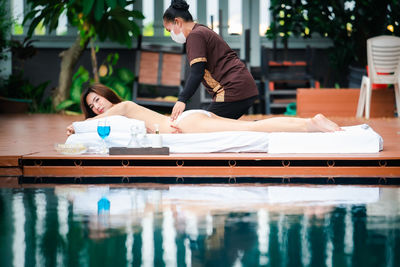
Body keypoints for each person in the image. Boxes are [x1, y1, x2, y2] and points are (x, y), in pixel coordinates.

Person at [66, 83, 341, 136]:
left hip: (187, 124)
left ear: (108, 97)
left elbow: (88, 127)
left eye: (98, 100)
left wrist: (77, 126)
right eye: (92, 106)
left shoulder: (124, 107)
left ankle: (310, 124)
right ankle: (309, 124)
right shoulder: (118, 122)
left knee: (253, 128)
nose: (97, 107)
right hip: (189, 121)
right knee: (253, 126)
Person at [163, 0, 259, 121]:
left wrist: (182, 100)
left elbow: (197, 73)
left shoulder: (195, 36)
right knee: (219, 127)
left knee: (205, 127)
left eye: (169, 30)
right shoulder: (201, 30)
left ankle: (263, 131)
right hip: (241, 86)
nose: (171, 34)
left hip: (232, 90)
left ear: (177, 21)